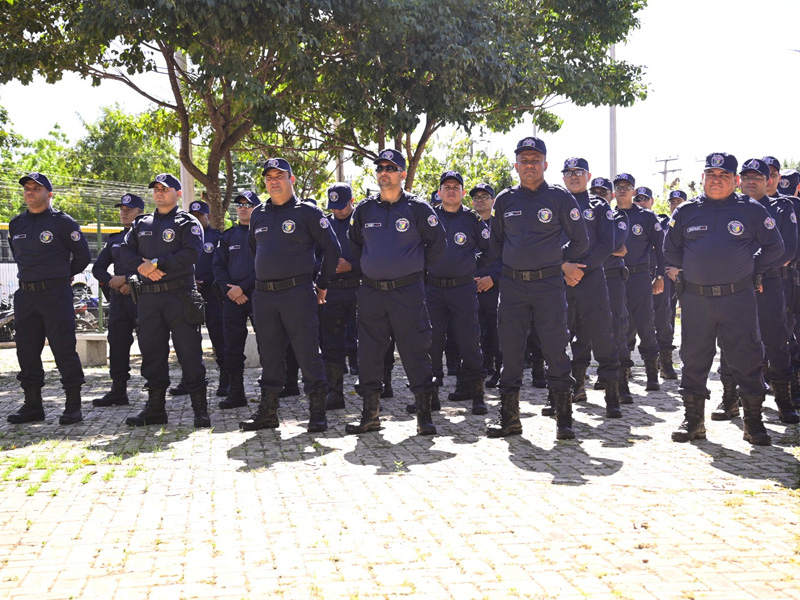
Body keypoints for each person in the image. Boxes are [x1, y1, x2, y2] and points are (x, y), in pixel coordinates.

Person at [664, 152, 784, 446]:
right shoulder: (686, 211)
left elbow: (776, 247)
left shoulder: (751, 210)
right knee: (693, 358)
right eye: (711, 175)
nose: (717, 180)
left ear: (736, 180)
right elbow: (671, 250)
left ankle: (753, 423)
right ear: (703, 177)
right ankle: (693, 421)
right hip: (696, 300)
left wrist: (752, 268)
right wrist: (686, 271)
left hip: (738, 298)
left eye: (724, 176)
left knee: (747, 357)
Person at [487, 137, 589, 440]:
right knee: (511, 351)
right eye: (524, 160)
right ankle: (509, 419)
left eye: (535, 160)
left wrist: (557, 261)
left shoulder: (560, 198)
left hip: (548, 286)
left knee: (556, 350)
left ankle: (564, 421)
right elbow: (496, 244)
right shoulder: (505, 200)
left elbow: (581, 241)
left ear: (545, 164)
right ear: (516, 165)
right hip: (513, 287)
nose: (529, 165)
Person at [346, 148, 446, 435]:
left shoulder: (417, 209)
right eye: (380, 168)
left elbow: (438, 246)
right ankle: (370, 416)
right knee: (369, 353)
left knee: (416, 352)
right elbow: (354, 245)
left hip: (407, 293)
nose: (384, 173)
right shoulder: (364, 209)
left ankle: (424, 416)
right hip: (371, 293)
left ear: (402, 174)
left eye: (391, 168)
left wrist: (412, 268)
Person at [239, 158, 340, 433]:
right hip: (264, 296)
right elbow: (254, 251)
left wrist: (322, 283)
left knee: (308, 353)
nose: (274, 181)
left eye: (280, 176)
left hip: (297, 293)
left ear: (291, 179)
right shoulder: (258, 213)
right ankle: (268, 413)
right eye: (269, 176)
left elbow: (332, 248)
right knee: (269, 354)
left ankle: (318, 412)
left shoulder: (306, 211)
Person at [119, 173, 209, 428]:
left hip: (179, 296)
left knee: (189, 352)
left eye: (165, 189)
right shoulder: (141, 223)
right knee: (152, 354)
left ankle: (200, 410)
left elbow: (192, 253)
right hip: (148, 298)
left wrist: (157, 264)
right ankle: (155, 409)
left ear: (178, 194)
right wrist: (141, 267)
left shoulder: (187, 222)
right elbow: (124, 251)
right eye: (156, 188)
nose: (159, 192)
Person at [713, 158, 799, 424]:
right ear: (740, 181)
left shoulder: (783, 208)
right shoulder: (728, 208)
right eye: (747, 177)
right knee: (730, 343)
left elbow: (787, 249)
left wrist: (755, 270)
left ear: (769, 181)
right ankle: (729, 400)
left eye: (758, 177)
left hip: (771, 284)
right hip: (735, 287)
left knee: (776, 341)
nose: (752, 182)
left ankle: (784, 402)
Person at [7, 172, 91, 425]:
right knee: (26, 350)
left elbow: (83, 257)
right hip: (26, 295)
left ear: (49, 194)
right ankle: (33, 406)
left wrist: (62, 275)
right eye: (27, 188)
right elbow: (18, 255)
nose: (30, 191)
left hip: (55, 294)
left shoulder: (63, 222)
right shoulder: (16, 224)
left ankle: (73, 406)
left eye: (36, 188)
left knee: (64, 348)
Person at [416, 170, 490, 416]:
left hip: (463, 289)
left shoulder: (472, 219)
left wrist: (473, 265)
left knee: (469, 341)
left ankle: (477, 395)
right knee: (432, 344)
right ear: (439, 192)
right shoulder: (430, 218)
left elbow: (490, 249)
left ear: (461, 193)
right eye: (446, 186)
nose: (450, 190)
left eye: (455, 187)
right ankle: (431, 397)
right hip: (433, 289)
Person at [557, 158, 622, 418]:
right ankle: (560, 395)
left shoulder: (599, 206)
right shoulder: (554, 203)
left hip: (591, 277)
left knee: (603, 335)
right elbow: (545, 240)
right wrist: (564, 266)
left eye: (578, 172)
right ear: (563, 177)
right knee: (557, 337)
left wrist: (579, 269)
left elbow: (608, 244)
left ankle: (612, 396)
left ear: (588, 176)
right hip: (559, 277)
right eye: (568, 173)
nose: (573, 176)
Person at [92, 193, 144, 407]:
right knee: (117, 343)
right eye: (121, 209)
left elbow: (159, 268)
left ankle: (155, 391)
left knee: (151, 344)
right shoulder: (114, 239)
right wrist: (114, 282)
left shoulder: (148, 237)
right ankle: (118, 390)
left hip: (143, 298)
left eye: (128, 209)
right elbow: (98, 268)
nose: (123, 212)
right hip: (119, 301)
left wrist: (130, 280)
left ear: (140, 212)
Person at [614, 174, 664, 392]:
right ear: (614, 191)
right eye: (618, 187)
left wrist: (659, 276)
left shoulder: (646, 217)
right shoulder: (607, 215)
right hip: (613, 277)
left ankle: (652, 373)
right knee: (616, 326)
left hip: (639, 277)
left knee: (645, 324)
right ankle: (619, 373)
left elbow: (661, 249)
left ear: (633, 191)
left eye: (627, 187)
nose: (622, 190)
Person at [212, 190, 260, 409]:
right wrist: (231, 290)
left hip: (259, 294)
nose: (243, 208)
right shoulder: (228, 236)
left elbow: (266, 265)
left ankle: (272, 393)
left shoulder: (263, 233)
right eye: (239, 204)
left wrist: (244, 288)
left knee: (269, 345)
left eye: (248, 204)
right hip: (232, 297)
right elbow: (218, 266)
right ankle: (236, 392)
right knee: (232, 346)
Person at [319, 182, 362, 410]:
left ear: (351, 202)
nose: (337, 211)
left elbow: (375, 256)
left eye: (341, 206)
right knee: (332, 343)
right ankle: (335, 394)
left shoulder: (362, 221)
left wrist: (352, 266)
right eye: (333, 206)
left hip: (359, 287)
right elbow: (315, 255)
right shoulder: (324, 224)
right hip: (332, 291)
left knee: (367, 342)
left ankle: (370, 394)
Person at [632, 186, 678, 379]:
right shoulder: (626, 219)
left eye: (645, 199)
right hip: (635, 276)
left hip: (659, 275)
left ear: (652, 201)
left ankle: (665, 364)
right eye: (638, 199)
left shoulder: (664, 222)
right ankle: (625, 365)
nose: (641, 202)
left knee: (663, 319)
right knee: (628, 321)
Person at [471, 183, 503, 389]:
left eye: (485, 196)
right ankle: (478, 371)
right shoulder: (467, 223)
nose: (480, 200)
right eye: (477, 197)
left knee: (496, 331)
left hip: (494, 286)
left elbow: (508, 256)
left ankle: (499, 372)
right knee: (473, 332)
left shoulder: (500, 226)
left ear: (493, 201)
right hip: (469, 286)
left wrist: (492, 278)